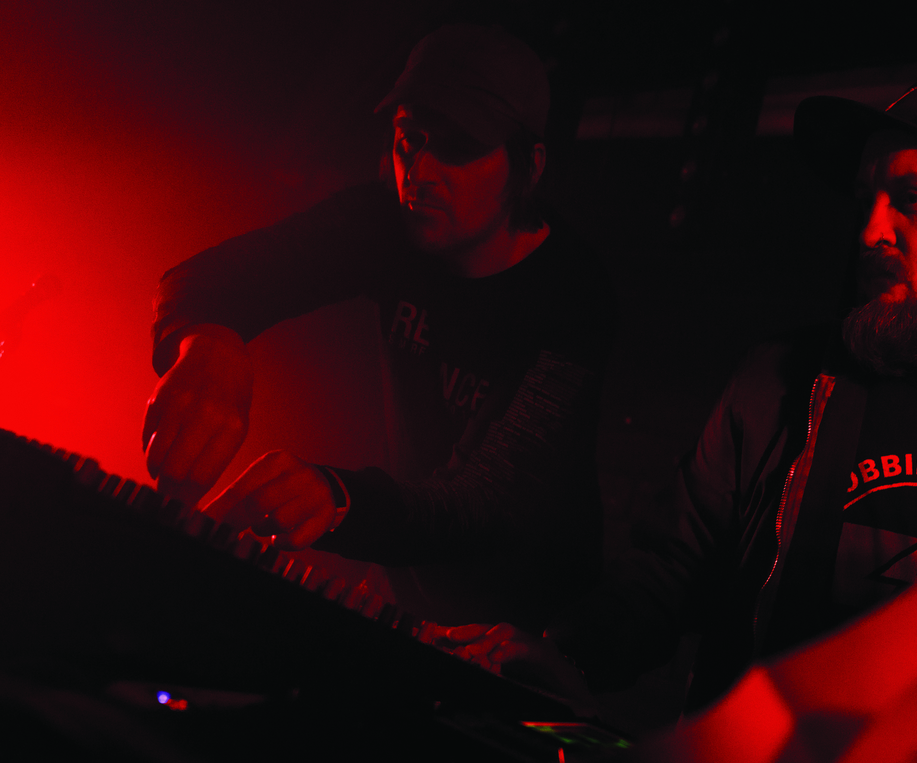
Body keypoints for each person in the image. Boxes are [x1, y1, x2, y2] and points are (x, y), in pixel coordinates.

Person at [443, 74, 917, 711]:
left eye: (912, 199)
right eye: (864, 199)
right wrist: (567, 655)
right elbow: (670, 569)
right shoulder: (778, 382)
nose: (870, 231)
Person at [142, 23, 616, 633]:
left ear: (529, 166)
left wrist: (338, 499)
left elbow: (486, 499)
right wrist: (212, 344)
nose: (421, 170)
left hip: (528, 631)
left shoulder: (574, 297)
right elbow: (202, 279)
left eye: (460, 147)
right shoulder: (386, 224)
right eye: (409, 140)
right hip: (404, 592)